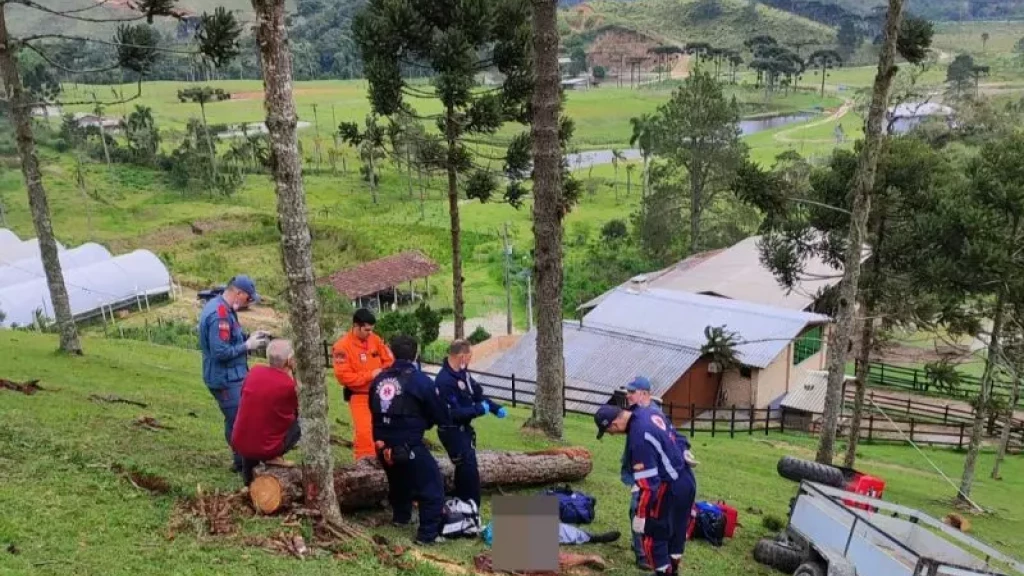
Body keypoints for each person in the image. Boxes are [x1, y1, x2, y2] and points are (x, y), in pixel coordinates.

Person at [596, 404, 697, 576]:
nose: (612, 434)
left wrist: (641, 515)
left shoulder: (638, 437)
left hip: (670, 486)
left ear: (614, 424)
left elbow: (648, 484)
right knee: (677, 530)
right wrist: (684, 449)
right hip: (688, 478)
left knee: (654, 534)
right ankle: (673, 568)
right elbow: (676, 435)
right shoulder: (648, 412)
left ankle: (662, 571)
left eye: (609, 431)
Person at [369, 334, 450, 545]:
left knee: (399, 482)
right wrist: (426, 422)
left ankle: (401, 517)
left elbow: (373, 408)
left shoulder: (379, 379)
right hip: (408, 445)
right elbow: (439, 412)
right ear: (416, 354)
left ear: (391, 352)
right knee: (432, 486)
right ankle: (427, 534)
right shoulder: (420, 381)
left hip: (382, 444)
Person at [619, 377, 700, 570]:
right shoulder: (635, 413)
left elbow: (676, 436)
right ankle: (643, 551)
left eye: (632, 391)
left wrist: (684, 449)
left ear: (645, 393)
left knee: (645, 512)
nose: (628, 395)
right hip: (642, 472)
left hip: (658, 478)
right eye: (627, 392)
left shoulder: (654, 414)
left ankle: (645, 555)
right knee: (638, 511)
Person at [198, 275, 269, 471]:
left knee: (235, 419)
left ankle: (239, 462)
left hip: (231, 375)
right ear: (238, 293)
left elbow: (230, 338)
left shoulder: (225, 309)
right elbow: (220, 352)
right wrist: (247, 346)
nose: (249, 302)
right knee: (241, 421)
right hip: (224, 377)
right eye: (248, 298)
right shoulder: (219, 315)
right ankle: (247, 466)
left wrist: (249, 337)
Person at [435, 339, 507, 507]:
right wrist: (477, 410)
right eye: (470, 357)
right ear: (462, 356)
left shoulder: (463, 374)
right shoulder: (444, 381)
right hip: (451, 431)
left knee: (465, 469)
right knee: (469, 470)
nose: (470, 360)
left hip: (464, 430)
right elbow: (450, 414)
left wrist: (495, 408)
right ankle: (471, 506)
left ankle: (463, 503)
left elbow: (477, 395)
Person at [231, 339, 302, 486]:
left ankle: (248, 478)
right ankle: (274, 456)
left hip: (240, 442)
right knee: (303, 421)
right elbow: (300, 406)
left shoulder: (253, 372)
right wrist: (295, 373)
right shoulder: (289, 386)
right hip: (266, 448)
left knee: (254, 422)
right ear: (289, 360)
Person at [332, 308, 394, 460]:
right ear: (356, 326)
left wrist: (382, 373)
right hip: (360, 396)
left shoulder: (375, 339)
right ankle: (365, 466)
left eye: (372, 330)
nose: (370, 333)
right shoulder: (342, 347)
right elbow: (344, 377)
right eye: (367, 330)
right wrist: (370, 375)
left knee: (385, 429)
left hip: (381, 394)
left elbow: (389, 360)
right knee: (365, 433)